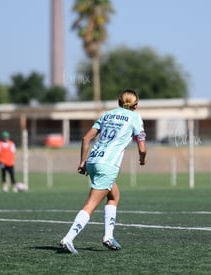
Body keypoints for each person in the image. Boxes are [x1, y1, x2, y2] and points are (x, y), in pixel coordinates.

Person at [60, 89, 147, 254]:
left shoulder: (107, 115)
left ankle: (108, 236)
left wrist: (82, 161)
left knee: (114, 196)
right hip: (107, 164)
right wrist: (142, 159)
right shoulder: (135, 117)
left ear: (119, 102)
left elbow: (86, 138)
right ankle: (68, 238)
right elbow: (142, 147)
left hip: (93, 160)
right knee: (91, 204)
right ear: (135, 105)